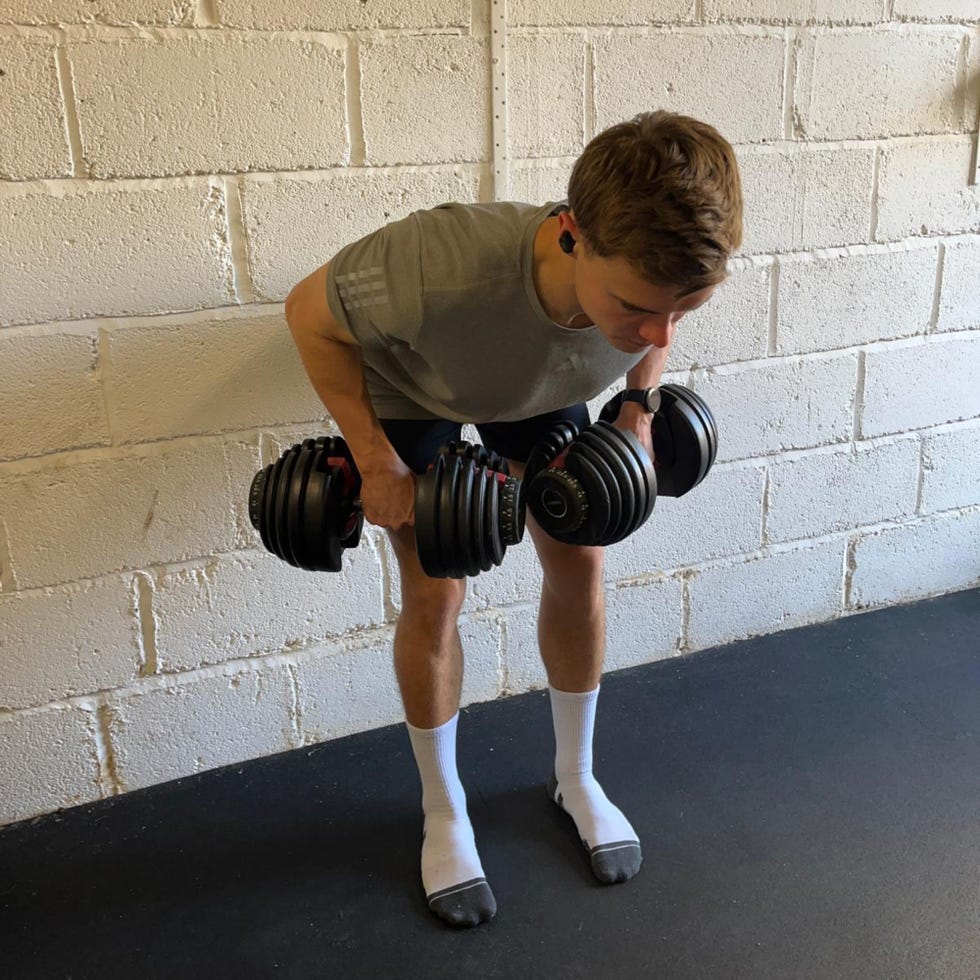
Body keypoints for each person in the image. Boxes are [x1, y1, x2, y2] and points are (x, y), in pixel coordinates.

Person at [283, 111, 743, 928]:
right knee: (438, 591)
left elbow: (654, 328)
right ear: (573, 235)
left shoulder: (653, 297)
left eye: (686, 310)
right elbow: (306, 314)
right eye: (638, 306)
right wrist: (378, 461)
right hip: (418, 391)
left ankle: (576, 776)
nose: (658, 332)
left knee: (581, 560)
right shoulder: (434, 267)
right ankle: (444, 808)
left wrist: (637, 402)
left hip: (540, 387)